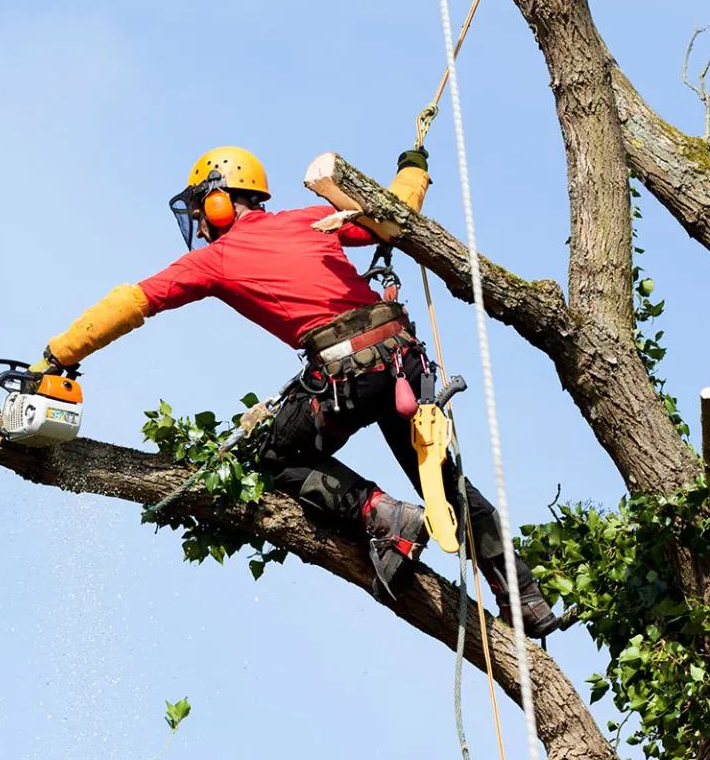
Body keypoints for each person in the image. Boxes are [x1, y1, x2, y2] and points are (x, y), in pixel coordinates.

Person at [34, 145, 575, 635]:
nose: (201, 230)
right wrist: (414, 166)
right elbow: (395, 213)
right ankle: (524, 596)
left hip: (350, 374)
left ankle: (384, 516)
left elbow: (134, 301)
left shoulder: (217, 258)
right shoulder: (312, 218)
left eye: (202, 214)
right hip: (403, 365)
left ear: (220, 202)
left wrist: (59, 354)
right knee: (445, 479)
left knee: (274, 455)